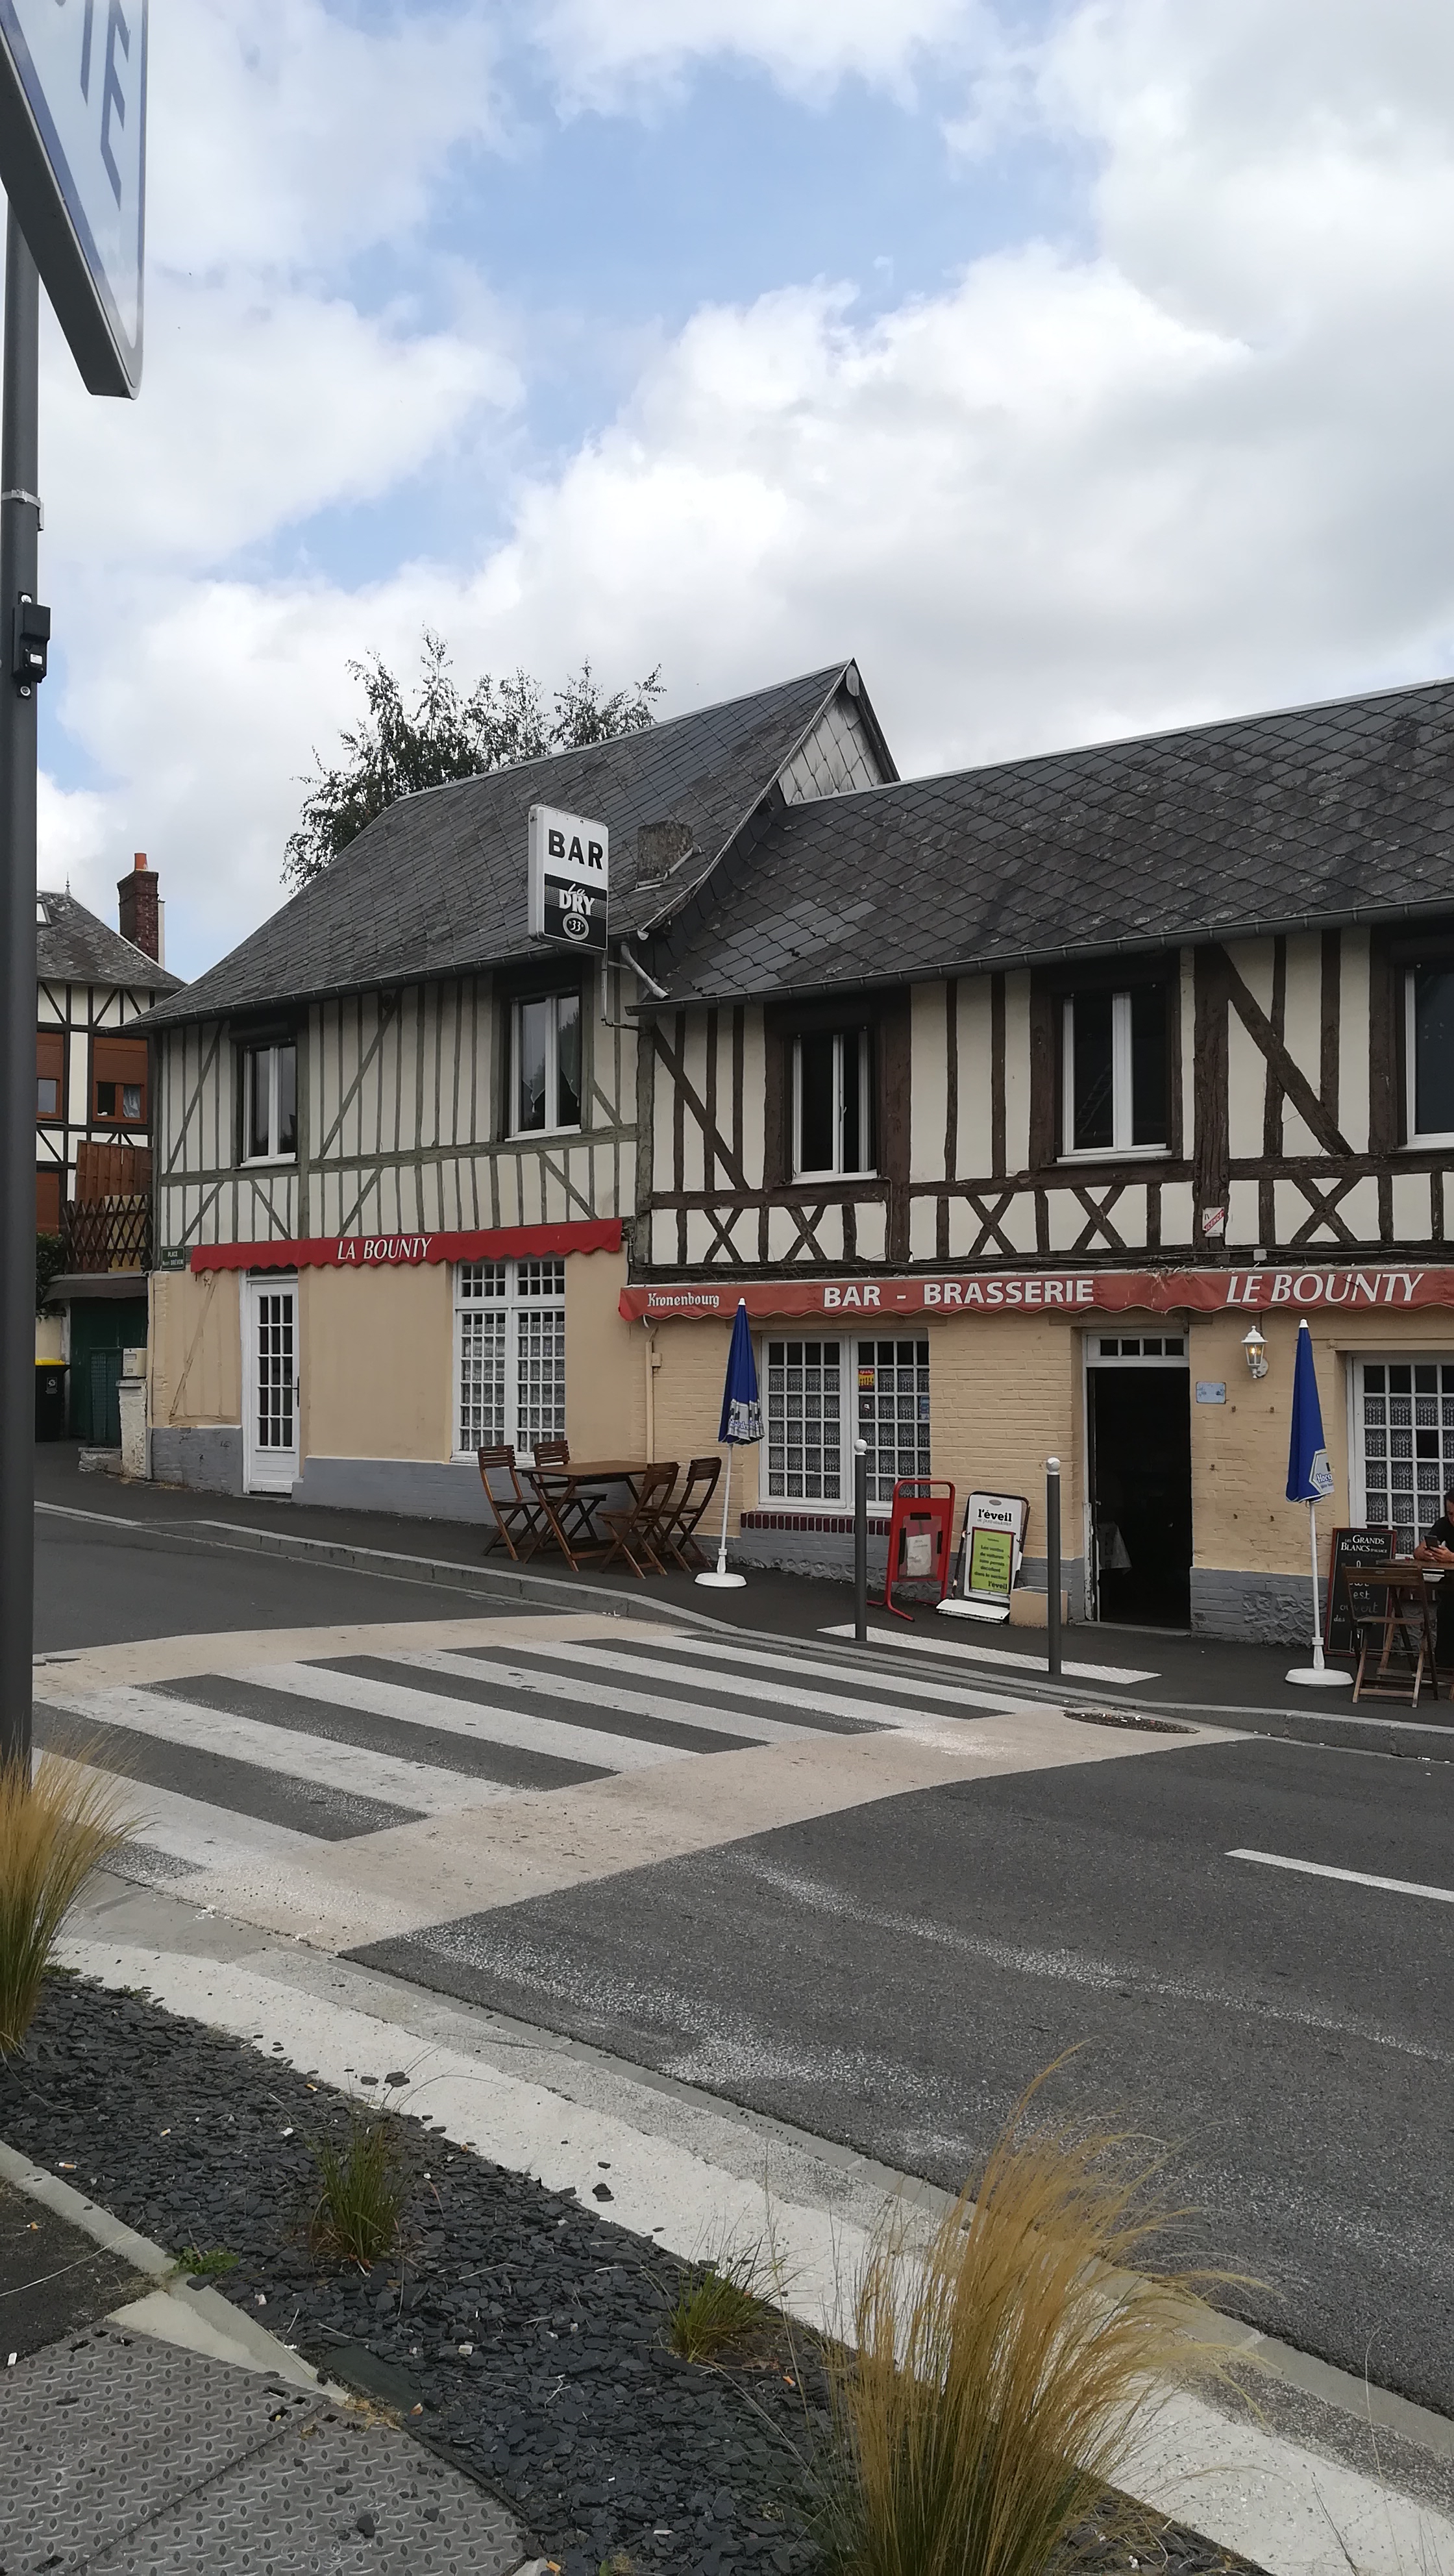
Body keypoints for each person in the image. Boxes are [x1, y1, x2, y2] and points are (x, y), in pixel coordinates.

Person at [1413, 1488, 1454, 1674]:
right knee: (1446, 1609)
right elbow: (1418, 1551)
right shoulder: (1444, 1524)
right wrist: (1425, 1553)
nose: (1453, 1519)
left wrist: (1451, 1557)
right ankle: (1445, 1665)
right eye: (1450, 1514)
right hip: (1450, 1586)